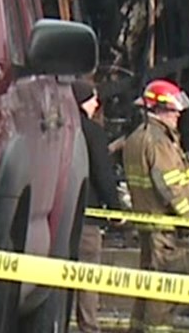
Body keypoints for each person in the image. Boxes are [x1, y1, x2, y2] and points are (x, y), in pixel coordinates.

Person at [122, 79, 189, 333]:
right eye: (173, 110)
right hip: (164, 228)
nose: (178, 115)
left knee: (146, 288)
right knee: (162, 293)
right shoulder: (159, 141)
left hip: (147, 224)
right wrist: (188, 217)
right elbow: (169, 185)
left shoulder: (136, 137)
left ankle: (138, 328)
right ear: (158, 109)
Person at [72, 78, 124, 333]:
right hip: (87, 219)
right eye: (93, 98)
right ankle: (88, 328)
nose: (97, 103)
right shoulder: (92, 132)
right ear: (83, 101)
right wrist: (115, 211)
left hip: (57, 216)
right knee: (87, 278)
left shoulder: (57, 128)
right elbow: (103, 175)